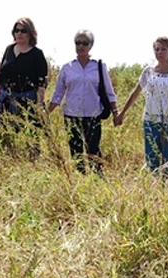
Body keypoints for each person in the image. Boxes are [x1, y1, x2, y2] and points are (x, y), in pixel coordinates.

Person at [115, 37, 168, 178]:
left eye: (163, 49)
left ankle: (166, 185)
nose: (159, 52)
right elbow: (135, 93)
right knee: (151, 155)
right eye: (157, 49)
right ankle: (154, 185)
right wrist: (121, 113)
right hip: (150, 119)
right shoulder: (148, 72)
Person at [48, 30, 118, 174]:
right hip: (72, 116)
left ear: (91, 45)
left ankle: (98, 181)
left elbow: (109, 92)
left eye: (84, 43)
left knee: (93, 151)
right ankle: (81, 181)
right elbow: (58, 94)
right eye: (77, 43)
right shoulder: (68, 68)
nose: (80, 46)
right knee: (76, 153)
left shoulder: (99, 66)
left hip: (93, 115)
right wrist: (45, 112)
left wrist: (116, 113)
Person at [0, 18, 48, 127]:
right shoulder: (9, 49)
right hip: (6, 100)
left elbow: (41, 82)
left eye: (23, 31)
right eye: (16, 30)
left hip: (28, 101)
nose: (19, 33)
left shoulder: (37, 54)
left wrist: (39, 105)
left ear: (30, 33)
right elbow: (1, 76)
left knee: (27, 136)